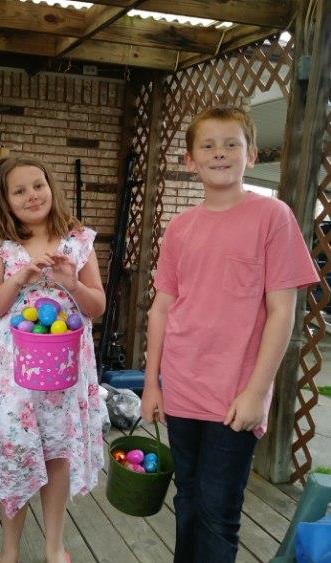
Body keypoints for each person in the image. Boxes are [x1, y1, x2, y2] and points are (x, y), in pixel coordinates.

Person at [141, 106, 319, 562]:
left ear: (251, 154)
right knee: (187, 500)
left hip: (234, 395)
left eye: (231, 144)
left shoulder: (272, 217)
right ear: (189, 161)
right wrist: (152, 383)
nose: (220, 153)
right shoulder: (179, 228)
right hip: (180, 387)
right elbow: (162, 306)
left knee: (219, 508)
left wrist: (258, 392)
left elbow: (283, 311)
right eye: (208, 146)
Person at [0, 156, 105, 563]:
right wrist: (18, 280)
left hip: (65, 374)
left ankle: (54, 545)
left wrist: (70, 283)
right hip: (15, 376)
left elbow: (97, 305)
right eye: (19, 190)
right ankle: (9, 548)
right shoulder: (1, 244)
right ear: (6, 200)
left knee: (57, 453)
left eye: (38, 185)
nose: (32, 195)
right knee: (16, 452)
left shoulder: (78, 239)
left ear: (52, 186)